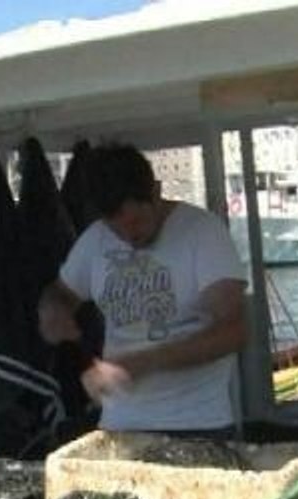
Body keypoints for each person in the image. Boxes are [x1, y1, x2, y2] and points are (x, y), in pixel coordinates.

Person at [38, 142, 247, 434]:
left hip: (197, 424)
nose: (129, 236)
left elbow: (233, 331)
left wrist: (141, 363)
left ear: (156, 191)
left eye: (137, 221)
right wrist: (53, 310)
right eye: (116, 228)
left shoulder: (202, 232)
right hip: (118, 424)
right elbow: (60, 293)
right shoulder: (95, 239)